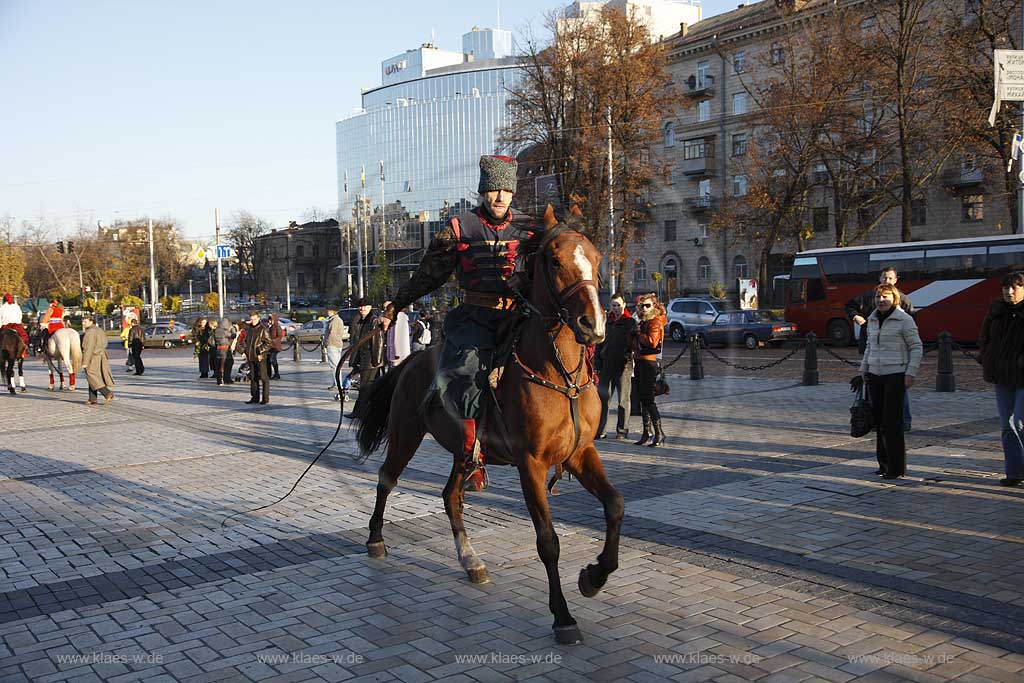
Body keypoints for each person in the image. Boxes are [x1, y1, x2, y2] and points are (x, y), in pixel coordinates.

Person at [379, 154, 542, 491]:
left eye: (505, 191)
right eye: (493, 190)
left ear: (513, 193)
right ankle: (471, 456)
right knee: (468, 372)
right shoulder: (458, 228)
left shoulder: (528, 229)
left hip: (518, 315)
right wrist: (396, 305)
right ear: (483, 191)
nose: (499, 197)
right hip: (474, 318)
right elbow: (428, 276)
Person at [859, 284, 922, 480]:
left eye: (885, 296)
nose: (881, 300)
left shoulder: (904, 319)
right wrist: (864, 369)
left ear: (894, 298)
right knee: (879, 421)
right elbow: (870, 346)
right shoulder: (872, 319)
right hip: (875, 375)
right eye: (878, 297)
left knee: (892, 422)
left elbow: (916, 347)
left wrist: (910, 372)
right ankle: (883, 464)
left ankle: (896, 467)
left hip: (896, 374)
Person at [845, 266, 916, 430]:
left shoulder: (904, 301)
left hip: (895, 355)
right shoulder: (870, 297)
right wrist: (859, 319)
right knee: (873, 388)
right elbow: (849, 306)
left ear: (896, 280)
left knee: (898, 391)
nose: (887, 281)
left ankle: (903, 421)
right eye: (884, 278)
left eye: (890, 278)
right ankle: (875, 419)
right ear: (879, 279)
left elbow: (913, 334)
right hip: (872, 349)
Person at [979, 271, 1024, 487]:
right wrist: (987, 357)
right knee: (1006, 424)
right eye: (1006, 288)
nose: (1010, 291)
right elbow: (984, 336)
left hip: (1023, 375)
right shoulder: (996, 311)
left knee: (1020, 422)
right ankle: (1014, 472)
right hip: (1002, 375)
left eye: (1015, 287)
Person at [596, 293, 637, 440]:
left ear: (624, 305)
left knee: (623, 400)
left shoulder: (630, 323)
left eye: (618, 305)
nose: (616, 308)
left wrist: (629, 357)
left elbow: (634, 344)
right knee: (603, 399)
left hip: (623, 366)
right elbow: (599, 345)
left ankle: (622, 430)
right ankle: (600, 430)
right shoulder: (607, 322)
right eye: (613, 305)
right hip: (607, 365)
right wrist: (597, 364)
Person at [631, 293, 667, 447]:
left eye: (647, 306)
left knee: (648, 399)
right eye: (642, 306)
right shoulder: (643, 321)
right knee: (642, 398)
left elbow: (652, 342)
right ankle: (647, 432)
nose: (644, 308)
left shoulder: (655, 322)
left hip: (648, 363)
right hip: (639, 362)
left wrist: (638, 333)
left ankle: (659, 432)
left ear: (654, 306)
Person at [349, 298, 384, 393]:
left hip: (370, 361)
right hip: (362, 359)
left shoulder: (373, 321)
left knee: (367, 387)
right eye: (360, 307)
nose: (362, 308)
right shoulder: (359, 320)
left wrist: (376, 361)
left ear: (370, 307)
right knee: (365, 387)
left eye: (365, 306)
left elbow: (378, 342)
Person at [80, 313, 114, 405]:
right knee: (94, 377)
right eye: (82, 321)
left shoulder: (90, 332)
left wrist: (85, 361)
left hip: (93, 357)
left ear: (91, 321)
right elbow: (105, 343)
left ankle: (106, 392)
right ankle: (92, 398)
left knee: (92, 376)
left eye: (85, 321)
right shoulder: (99, 330)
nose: (83, 323)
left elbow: (88, 347)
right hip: (101, 356)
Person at [243, 311, 272, 404]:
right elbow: (246, 341)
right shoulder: (249, 329)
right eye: (251, 319)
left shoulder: (263, 329)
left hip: (260, 357)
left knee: (263, 378)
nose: (253, 321)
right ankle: (254, 397)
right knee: (253, 377)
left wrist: (260, 350)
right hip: (251, 357)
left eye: (254, 319)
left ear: (258, 319)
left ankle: (265, 398)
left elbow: (269, 343)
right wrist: (245, 350)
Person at [323, 304, 348, 395]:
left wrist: (326, 342)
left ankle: (338, 384)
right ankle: (336, 383)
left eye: (329, 310)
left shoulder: (335, 320)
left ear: (334, 311)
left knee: (335, 365)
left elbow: (332, 334)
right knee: (335, 365)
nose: (328, 312)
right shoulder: (335, 320)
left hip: (333, 344)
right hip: (336, 344)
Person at [384, 300, 410, 369]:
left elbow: (399, 337)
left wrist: (396, 354)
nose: (384, 310)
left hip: (398, 355)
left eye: (386, 308)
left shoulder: (399, 318)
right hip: (393, 354)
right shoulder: (393, 318)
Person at [213, 317, 237, 385]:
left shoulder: (217, 330)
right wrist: (232, 328)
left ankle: (219, 379)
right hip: (225, 349)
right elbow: (233, 335)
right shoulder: (225, 331)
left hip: (218, 349)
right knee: (228, 363)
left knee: (219, 364)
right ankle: (226, 378)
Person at [268, 313, 284, 379]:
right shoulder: (271, 327)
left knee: (272, 359)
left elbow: (280, 336)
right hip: (271, 346)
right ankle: (276, 374)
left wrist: (273, 340)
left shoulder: (277, 326)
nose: (269, 321)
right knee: (272, 360)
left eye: (270, 320)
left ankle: (277, 374)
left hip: (276, 346)